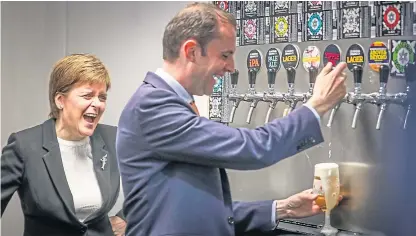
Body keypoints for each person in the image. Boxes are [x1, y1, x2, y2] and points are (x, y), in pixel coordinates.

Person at [116, 3, 347, 236]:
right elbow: (252, 147)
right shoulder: (152, 107)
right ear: (192, 51)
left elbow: (198, 211)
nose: (231, 67)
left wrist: (281, 209)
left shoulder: (173, 104)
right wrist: (316, 107)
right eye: (225, 55)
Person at [1, 54, 126, 236]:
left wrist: (125, 216)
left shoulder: (113, 137)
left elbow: (153, 177)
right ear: (60, 100)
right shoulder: (25, 146)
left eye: (102, 97)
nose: (97, 104)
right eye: (87, 95)